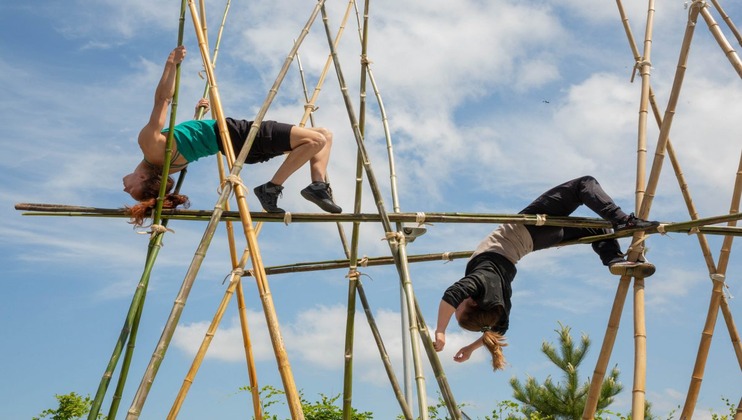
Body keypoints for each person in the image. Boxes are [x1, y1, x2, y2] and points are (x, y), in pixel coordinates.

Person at [433, 175, 659, 371]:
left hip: (535, 242)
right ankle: (624, 221)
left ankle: (614, 260)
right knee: (583, 185)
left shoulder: (499, 305)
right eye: (458, 310)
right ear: (471, 303)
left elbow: (497, 329)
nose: (456, 306)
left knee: (596, 227)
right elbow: (451, 295)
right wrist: (441, 331)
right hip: (527, 229)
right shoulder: (479, 281)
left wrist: (472, 348)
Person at [122, 46, 341, 226]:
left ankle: (318, 186)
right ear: (142, 178)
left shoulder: (170, 167)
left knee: (324, 135)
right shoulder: (150, 146)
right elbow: (162, 101)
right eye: (131, 190)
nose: (124, 188)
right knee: (316, 140)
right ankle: (271, 188)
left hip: (234, 147)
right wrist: (171, 65)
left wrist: (197, 118)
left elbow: (193, 141)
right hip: (236, 135)